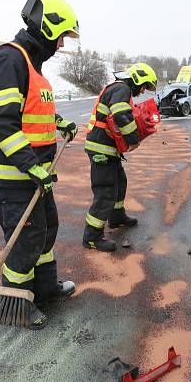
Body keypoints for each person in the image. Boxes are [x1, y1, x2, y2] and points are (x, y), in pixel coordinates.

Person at [0, 0, 81, 330]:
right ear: (47, 26)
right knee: (26, 239)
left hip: (35, 173)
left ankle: (44, 288)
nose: (62, 45)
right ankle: (17, 302)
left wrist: (59, 121)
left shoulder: (30, 64)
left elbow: (34, 111)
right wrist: (30, 165)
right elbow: (2, 121)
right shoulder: (9, 59)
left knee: (47, 229)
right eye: (63, 36)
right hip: (13, 175)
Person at [82, 63, 158, 251]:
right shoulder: (121, 89)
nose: (142, 92)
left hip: (108, 149)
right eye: (144, 86)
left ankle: (116, 218)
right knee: (105, 192)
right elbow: (122, 116)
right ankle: (92, 237)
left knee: (120, 183)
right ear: (137, 80)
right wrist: (133, 140)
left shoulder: (119, 89)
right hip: (101, 149)